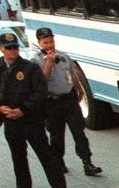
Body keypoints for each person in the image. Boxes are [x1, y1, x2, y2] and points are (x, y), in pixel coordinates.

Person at [0, 31, 67, 188]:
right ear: (1, 49)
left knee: (45, 154)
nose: (13, 51)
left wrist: (23, 109)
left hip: (30, 119)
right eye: (9, 48)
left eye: (15, 47)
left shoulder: (29, 68)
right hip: (10, 120)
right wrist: (0, 107)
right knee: (18, 156)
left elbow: (40, 92)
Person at [35, 27, 101, 178]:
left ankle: (87, 162)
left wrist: (79, 90)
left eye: (51, 41)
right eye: (46, 42)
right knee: (57, 136)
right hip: (52, 102)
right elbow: (41, 81)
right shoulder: (36, 60)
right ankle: (59, 162)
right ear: (39, 43)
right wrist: (49, 63)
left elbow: (72, 73)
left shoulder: (64, 57)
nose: (49, 45)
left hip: (69, 99)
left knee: (79, 132)